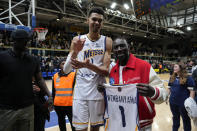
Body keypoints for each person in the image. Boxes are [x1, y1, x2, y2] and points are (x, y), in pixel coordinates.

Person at [101, 38, 168, 131]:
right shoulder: (113, 71)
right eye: (116, 47)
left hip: (143, 123)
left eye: (122, 46)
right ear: (113, 51)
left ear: (128, 48)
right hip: (120, 123)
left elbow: (164, 93)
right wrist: (104, 91)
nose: (119, 49)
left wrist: (153, 92)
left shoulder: (144, 66)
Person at [63, 7, 112, 131]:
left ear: (102, 23)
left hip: (98, 93)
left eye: (100, 20)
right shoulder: (77, 40)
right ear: (87, 20)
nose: (97, 22)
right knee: (80, 129)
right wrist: (75, 52)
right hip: (80, 93)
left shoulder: (107, 41)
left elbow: (106, 71)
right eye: (94, 19)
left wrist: (87, 65)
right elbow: (66, 70)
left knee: (95, 129)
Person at [0, 29, 53, 131]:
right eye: (24, 40)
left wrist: (49, 95)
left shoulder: (33, 60)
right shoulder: (2, 58)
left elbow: (40, 79)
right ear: (14, 41)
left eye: (27, 40)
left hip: (27, 108)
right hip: (6, 109)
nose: (27, 43)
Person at [168, 62, 195, 131]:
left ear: (181, 68)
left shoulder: (188, 78)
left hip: (183, 104)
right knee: (175, 118)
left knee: (185, 119)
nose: (174, 68)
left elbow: (192, 90)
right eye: (174, 67)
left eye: (176, 67)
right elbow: (169, 88)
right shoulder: (172, 77)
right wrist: (167, 97)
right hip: (173, 102)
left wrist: (190, 101)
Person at [52, 59, 76, 131]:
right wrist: (53, 103)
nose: (65, 65)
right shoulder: (55, 76)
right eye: (63, 63)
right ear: (59, 65)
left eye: (66, 64)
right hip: (58, 105)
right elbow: (54, 92)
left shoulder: (73, 75)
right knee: (61, 124)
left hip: (70, 105)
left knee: (74, 125)